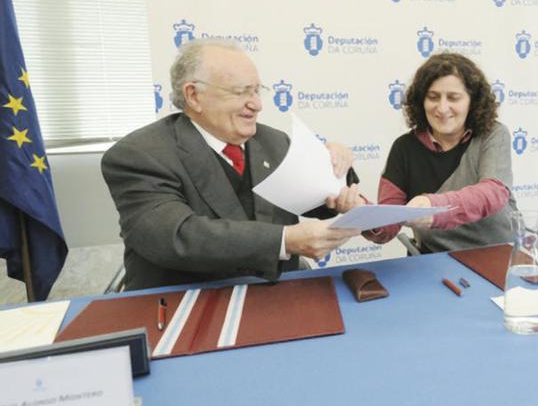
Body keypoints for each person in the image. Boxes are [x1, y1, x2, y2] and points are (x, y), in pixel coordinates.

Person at [101, 39, 364, 290]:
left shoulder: (273, 141)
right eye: (240, 92)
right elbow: (178, 236)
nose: (257, 105)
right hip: (187, 303)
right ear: (193, 96)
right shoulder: (140, 154)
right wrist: (286, 240)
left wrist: (338, 182)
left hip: (278, 297)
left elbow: (314, 197)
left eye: (257, 91)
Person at [364, 53, 517, 253]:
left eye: (453, 98)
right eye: (433, 97)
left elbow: (493, 192)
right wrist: (365, 215)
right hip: (435, 262)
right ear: (421, 101)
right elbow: (388, 225)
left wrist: (434, 207)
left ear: (473, 102)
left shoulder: (494, 135)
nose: (442, 108)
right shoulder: (403, 148)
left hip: (498, 254)